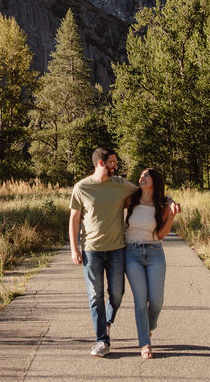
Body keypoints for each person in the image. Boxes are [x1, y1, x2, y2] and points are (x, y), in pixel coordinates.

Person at [69, 147, 178, 357]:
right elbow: (74, 218)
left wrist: (170, 201)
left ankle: (109, 319)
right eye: (112, 162)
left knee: (117, 294)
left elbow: (151, 194)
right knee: (95, 296)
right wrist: (74, 248)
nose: (116, 166)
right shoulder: (81, 188)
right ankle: (102, 340)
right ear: (101, 163)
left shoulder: (121, 186)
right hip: (91, 250)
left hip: (118, 248)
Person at [124, 167, 175, 359]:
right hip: (132, 252)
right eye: (141, 175)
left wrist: (171, 215)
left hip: (154, 252)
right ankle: (145, 343)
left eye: (146, 175)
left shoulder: (162, 204)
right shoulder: (130, 199)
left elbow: (161, 234)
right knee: (140, 300)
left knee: (156, 300)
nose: (141, 177)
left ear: (155, 180)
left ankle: (149, 326)